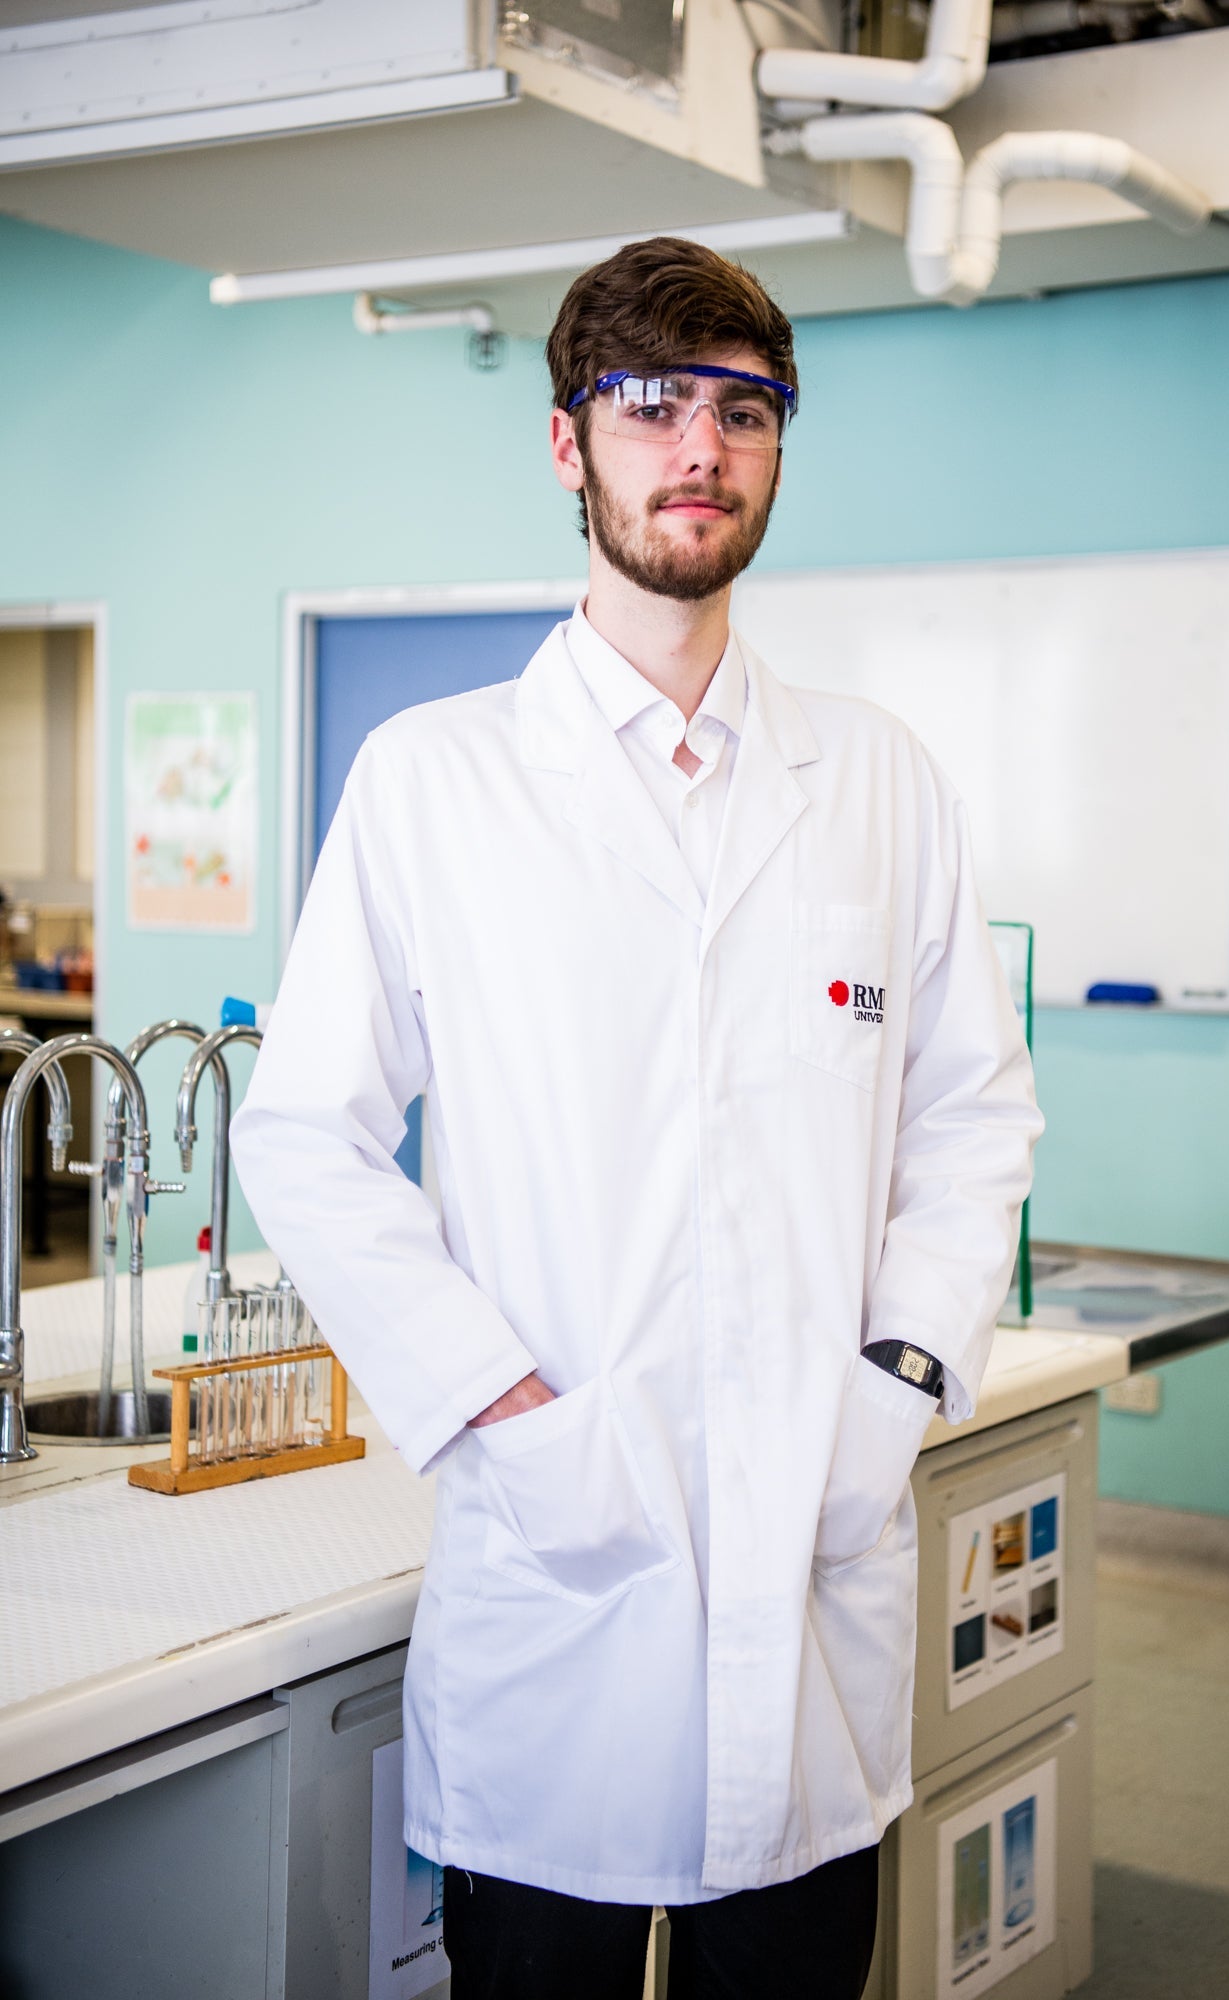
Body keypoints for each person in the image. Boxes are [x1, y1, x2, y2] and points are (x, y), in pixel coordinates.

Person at [231, 235, 1042, 1999]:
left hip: (814, 1587)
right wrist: (502, 1410)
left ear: (776, 445)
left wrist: (894, 1385)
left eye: (744, 409)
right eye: (652, 401)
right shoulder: (435, 785)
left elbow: (973, 1120)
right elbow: (303, 1131)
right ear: (565, 445)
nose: (701, 447)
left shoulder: (878, 778)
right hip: (560, 1592)